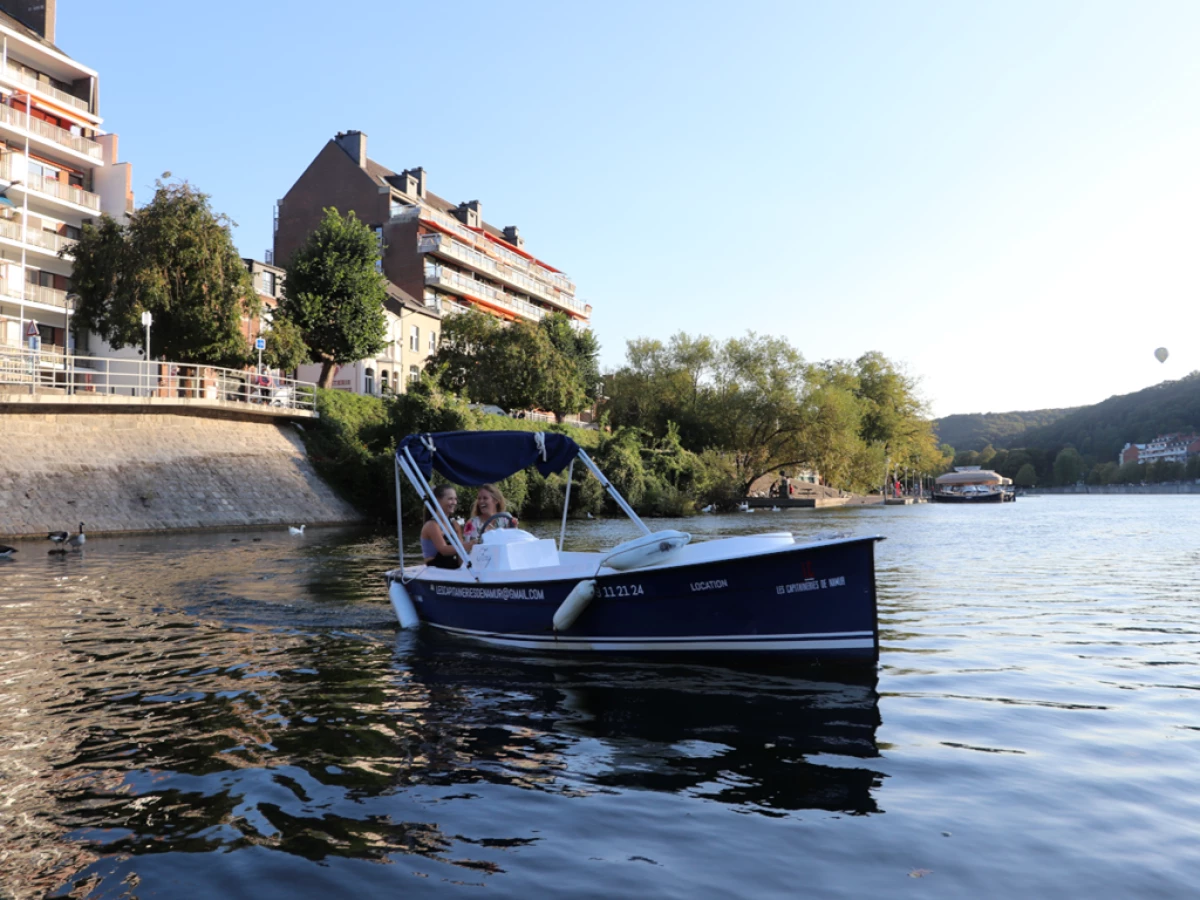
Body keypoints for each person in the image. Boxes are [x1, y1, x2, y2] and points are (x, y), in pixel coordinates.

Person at [420, 484, 465, 569]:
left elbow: (461, 553)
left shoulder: (455, 524)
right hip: (435, 569)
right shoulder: (431, 525)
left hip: (452, 568)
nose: (454, 502)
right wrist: (469, 545)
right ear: (437, 500)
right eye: (450, 499)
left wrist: (463, 569)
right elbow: (444, 550)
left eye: (455, 499)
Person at [463, 483, 519, 548]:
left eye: (485, 498)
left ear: (496, 501)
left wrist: (513, 529)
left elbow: (515, 544)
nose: (481, 501)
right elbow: (464, 551)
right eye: (479, 498)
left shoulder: (506, 519)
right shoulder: (471, 523)